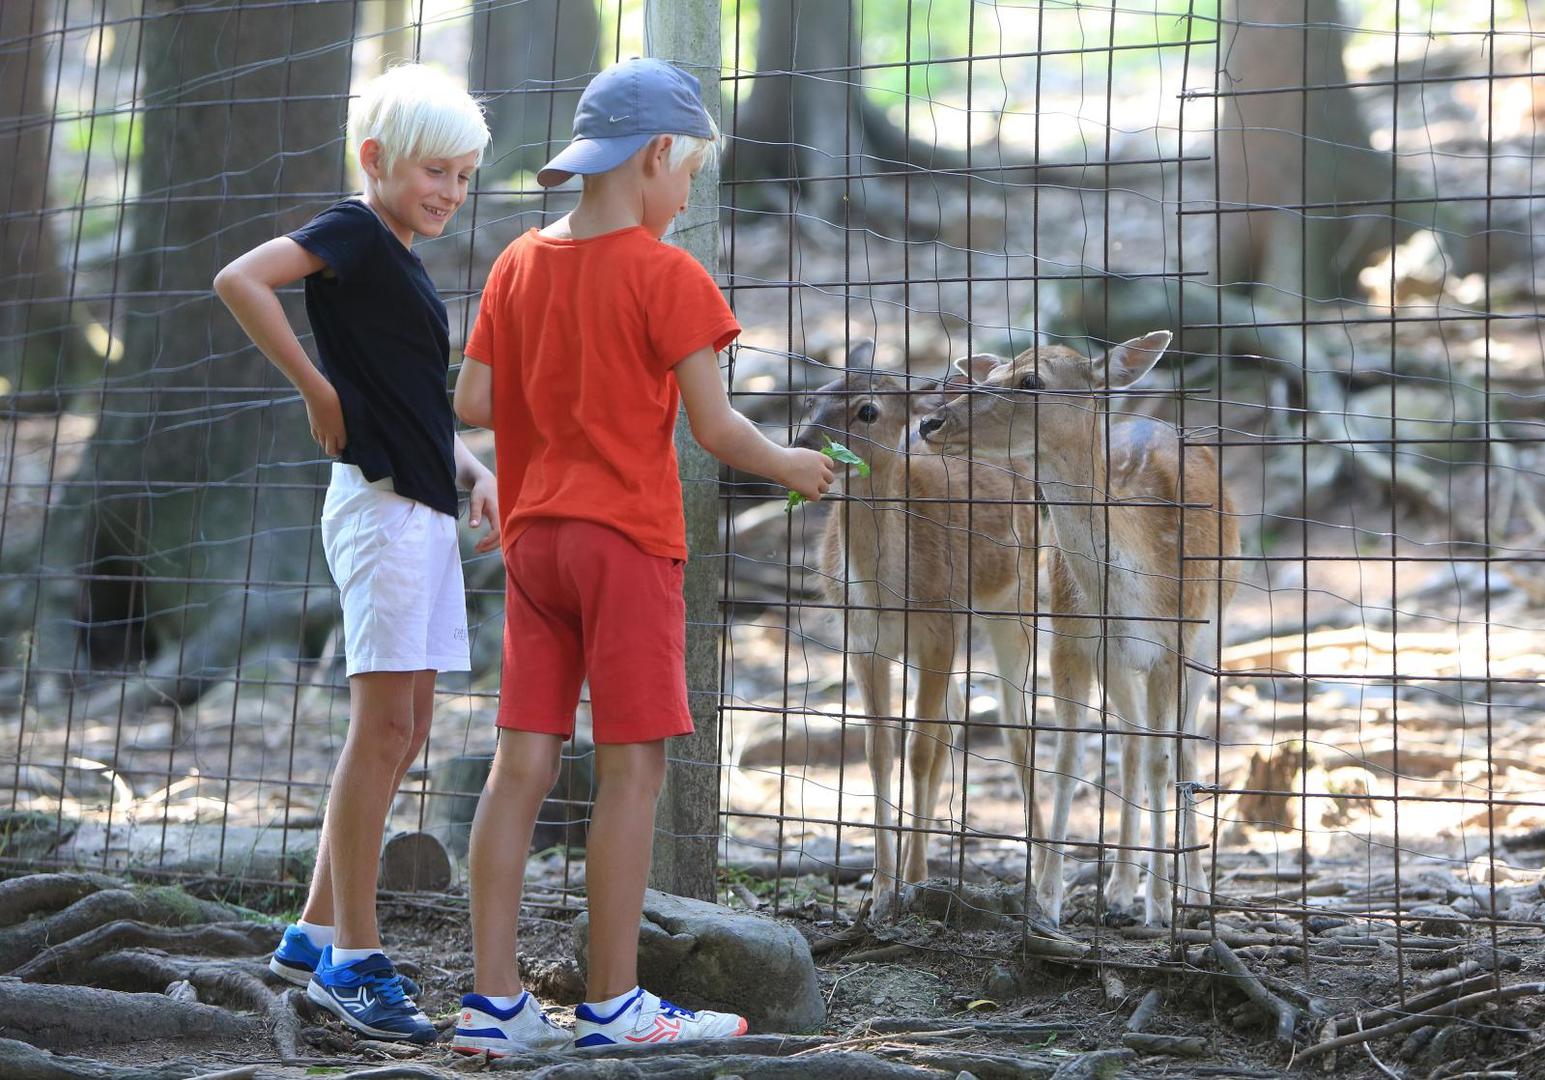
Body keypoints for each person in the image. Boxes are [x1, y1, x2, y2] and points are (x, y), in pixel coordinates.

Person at [448, 58, 834, 1055]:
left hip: (533, 542)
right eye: (690, 175)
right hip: (623, 546)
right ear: (658, 153)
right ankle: (615, 1005)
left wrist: (557, 389)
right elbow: (716, 427)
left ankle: (493, 1006)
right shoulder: (669, 275)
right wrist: (792, 465)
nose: (689, 196)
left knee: (520, 765)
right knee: (632, 772)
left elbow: (474, 401)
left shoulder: (518, 263)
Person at [213, 63, 504, 1044]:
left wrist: (472, 468)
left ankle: (309, 936)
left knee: (407, 727)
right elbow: (240, 280)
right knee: (381, 729)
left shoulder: (402, 260)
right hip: (378, 511)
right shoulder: (353, 230)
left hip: (421, 505)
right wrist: (316, 389)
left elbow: (411, 400)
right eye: (433, 171)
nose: (449, 193)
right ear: (376, 159)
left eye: (462, 177)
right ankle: (355, 960)